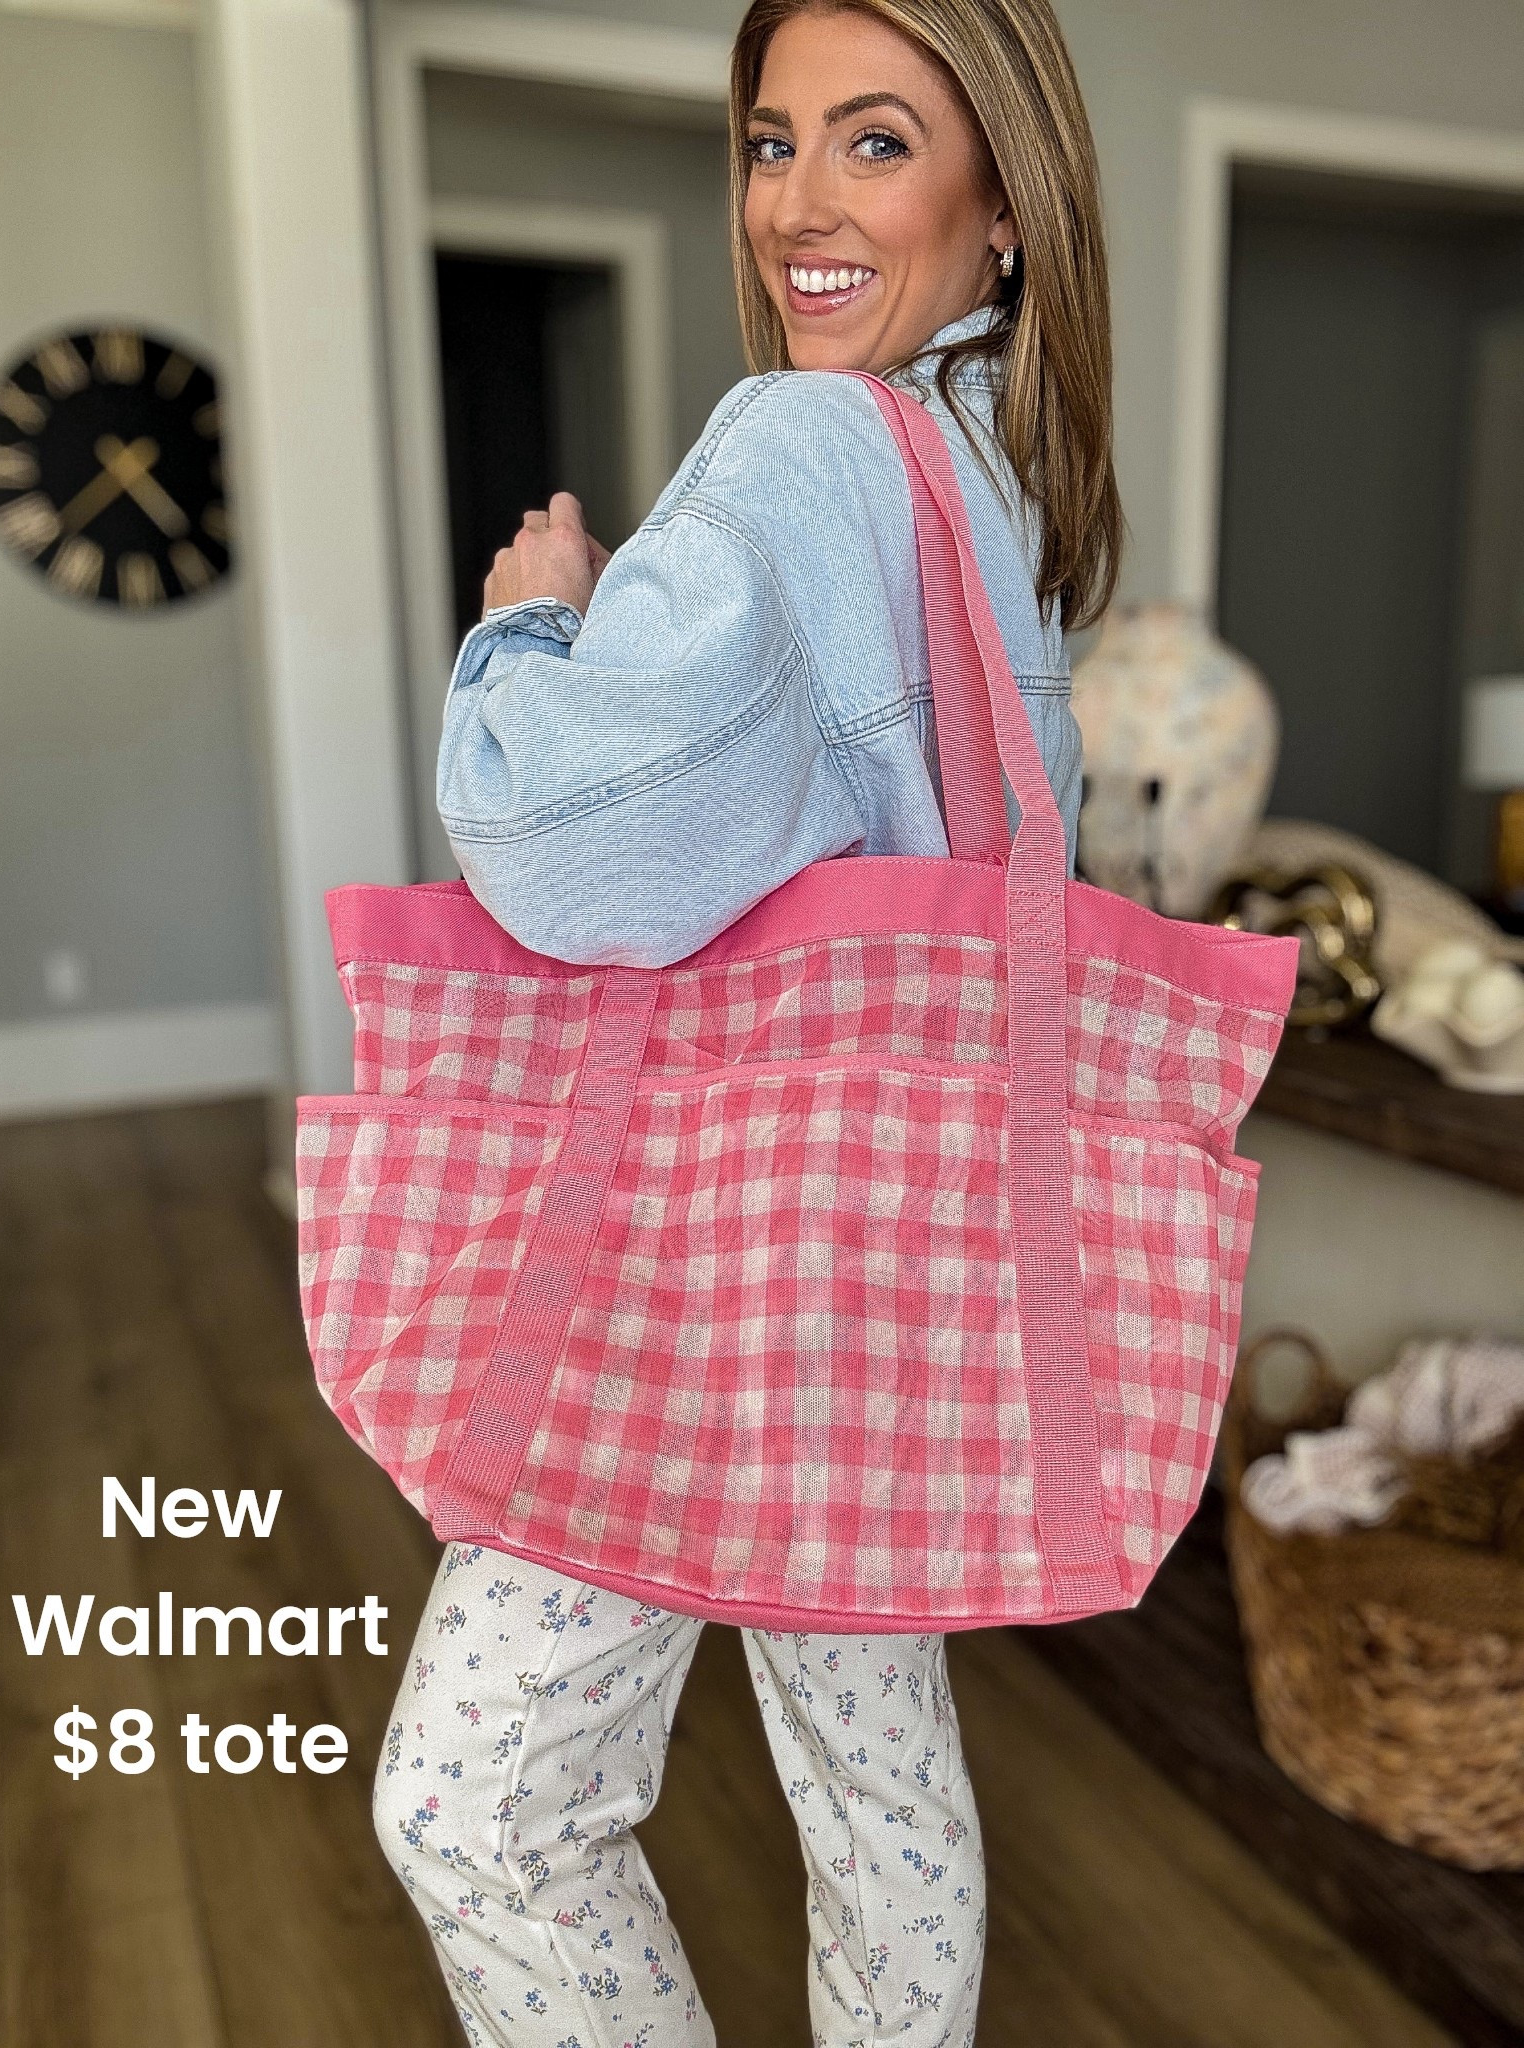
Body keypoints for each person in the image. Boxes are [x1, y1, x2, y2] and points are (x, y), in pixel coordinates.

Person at [372, 2, 1121, 2041]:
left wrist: (534, 623)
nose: (796, 201)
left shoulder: (800, 446)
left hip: (727, 1264)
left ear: (1009, 206)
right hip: (905, 1253)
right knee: (874, 1766)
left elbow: (574, 844)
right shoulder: (1000, 488)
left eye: (873, 143)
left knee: (477, 1803)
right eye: (772, 139)